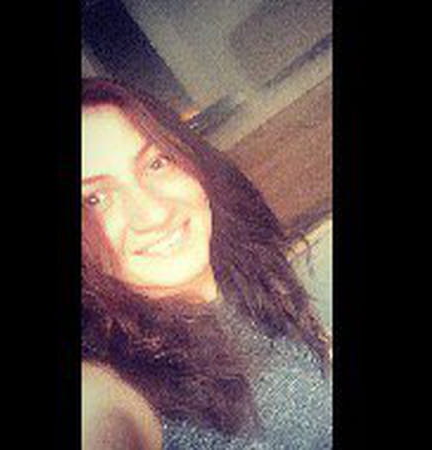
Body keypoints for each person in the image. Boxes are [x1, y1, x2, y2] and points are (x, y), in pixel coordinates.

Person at [81, 77, 332, 449]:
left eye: (157, 162)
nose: (154, 213)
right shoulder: (110, 390)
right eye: (94, 200)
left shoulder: (244, 276)